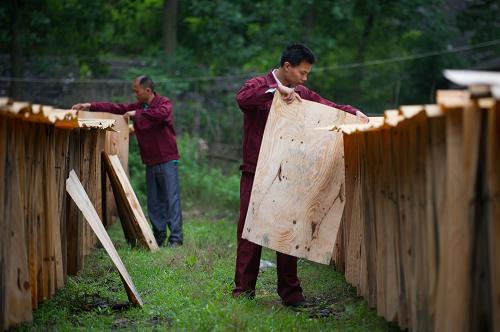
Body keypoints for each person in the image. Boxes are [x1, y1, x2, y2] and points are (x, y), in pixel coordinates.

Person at [233, 44, 368, 307]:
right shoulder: (259, 84)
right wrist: (276, 91)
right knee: (249, 232)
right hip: (255, 171)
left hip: (289, 173)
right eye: (302, 72)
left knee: (287, 231)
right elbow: (243, 99)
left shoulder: (302, 93)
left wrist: (352, 113)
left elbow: (328, 106)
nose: (305, 78)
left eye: (307, 74)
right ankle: (243, 291)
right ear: (287, 67)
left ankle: (291, 294)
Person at [72, 75, 183, 247]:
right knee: (154, 202)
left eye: (136, 90)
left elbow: (161, 115)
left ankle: (176, 238)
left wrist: (137, 114)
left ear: (148, 90)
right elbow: (116, 107)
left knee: (171, 199)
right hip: (150, 161)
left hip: (168, 160)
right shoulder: (139, 106)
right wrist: (89, 105)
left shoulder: (163, 103)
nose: (135, 94)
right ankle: (159, 236)